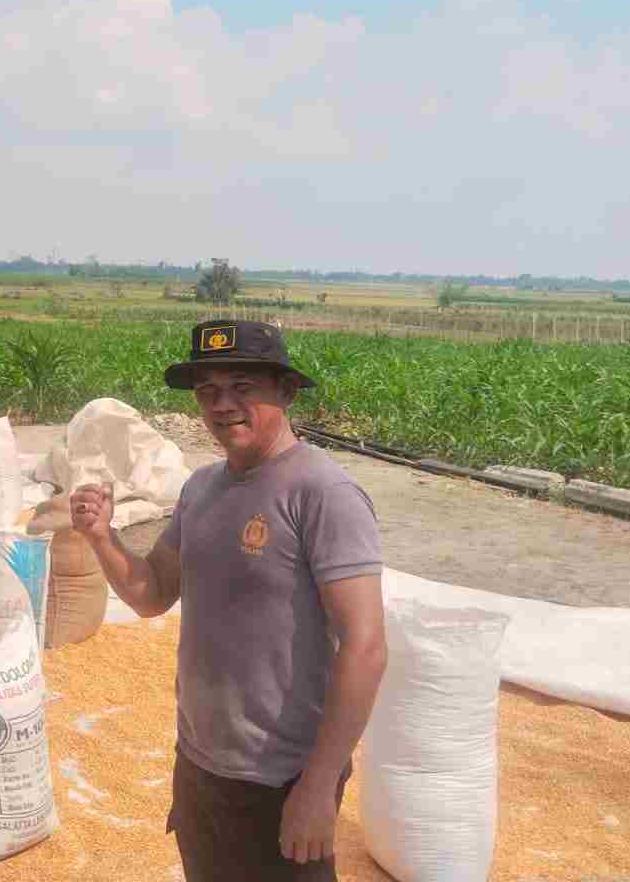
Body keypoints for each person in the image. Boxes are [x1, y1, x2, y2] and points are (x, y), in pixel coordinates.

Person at [71, 320, 387, 882]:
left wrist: (318, 786)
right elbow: (151, 595)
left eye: (242, 387)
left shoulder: (322, 494)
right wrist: (103, 536)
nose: (223, 405)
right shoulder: (201, 489)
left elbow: (365, 647)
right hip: (200, 763)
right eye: (208, 391)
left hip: (284, 776)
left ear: (285, 392)